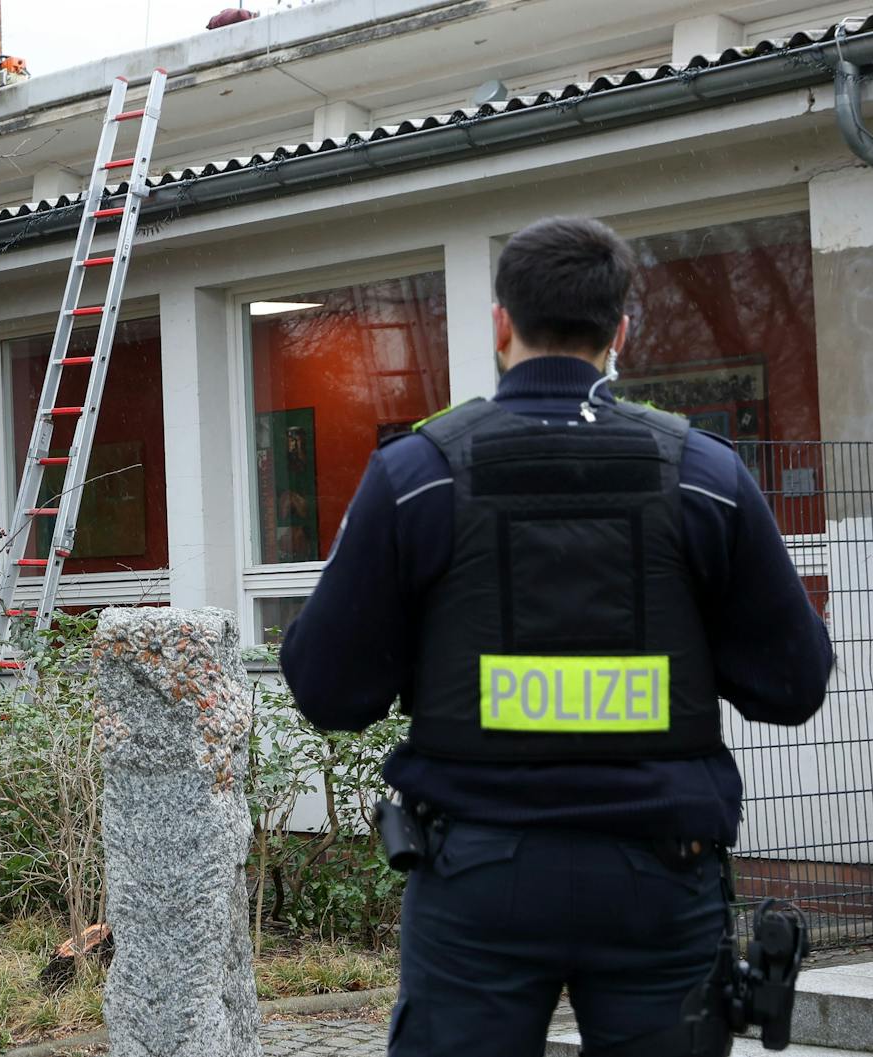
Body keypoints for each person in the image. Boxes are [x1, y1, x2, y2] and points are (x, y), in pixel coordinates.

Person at [279, 217, 833, 1057]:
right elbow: (792, 685)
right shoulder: (705, 476)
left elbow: (327, 689)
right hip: (660, 880)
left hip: (475, 880)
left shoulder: (418, 476)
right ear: (620, 333)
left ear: (501, 324)